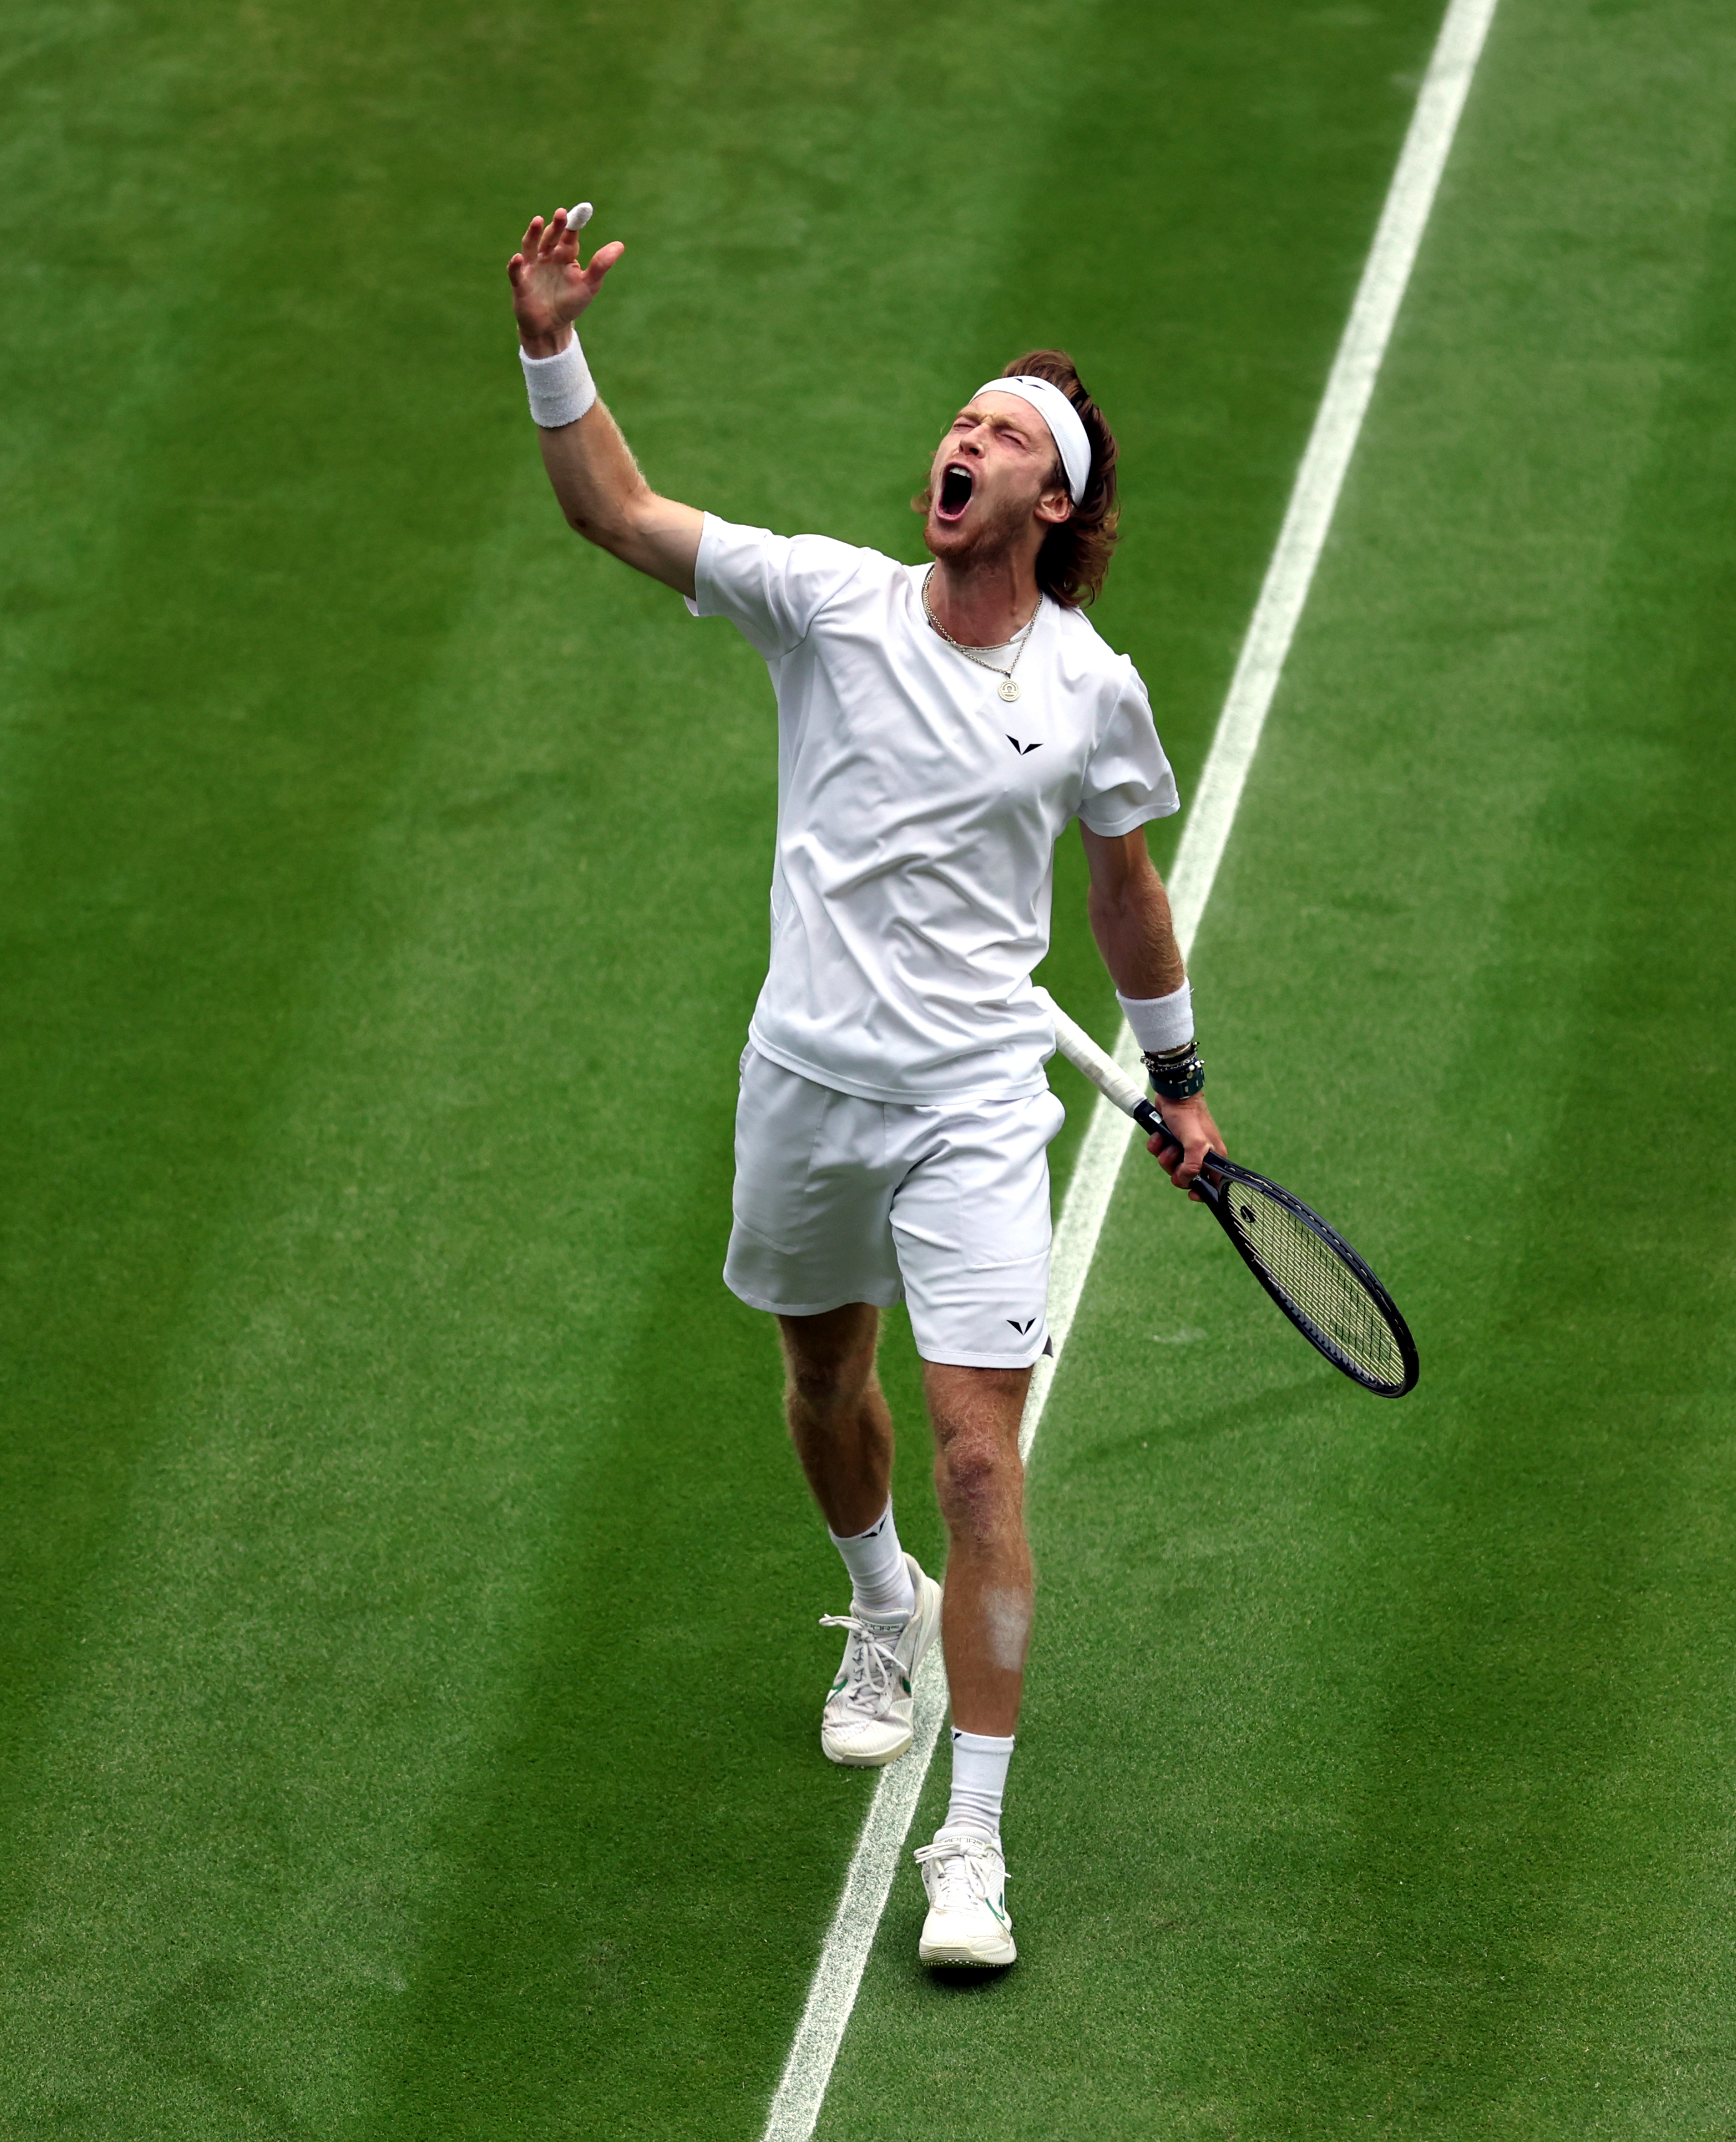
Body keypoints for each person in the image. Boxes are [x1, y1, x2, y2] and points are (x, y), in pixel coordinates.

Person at [507, 204, 1223, 1970]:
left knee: (987, 1458)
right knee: (825, 1382)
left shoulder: (1088, 692)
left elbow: (1123, 890)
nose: (957, 444)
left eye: (998, 436)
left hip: (980, 1102)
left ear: (1051, 504)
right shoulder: (825, 603)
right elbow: (614, 508)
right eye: (956, 426)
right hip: (808, 1086)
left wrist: (1181, 1075)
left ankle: (968, 1849)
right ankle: (875, 1602)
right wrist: (551, 342)